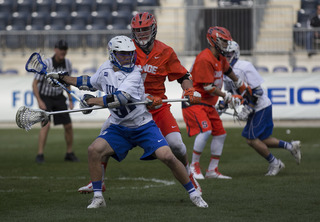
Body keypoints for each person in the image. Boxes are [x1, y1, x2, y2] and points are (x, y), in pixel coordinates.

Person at [47, 35, 208, 208]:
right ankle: (98, 197)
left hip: (142, 126)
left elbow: (119, 98)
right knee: (94, 150)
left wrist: (91, 101)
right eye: (123, 54)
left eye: (130, 54)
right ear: (113, 54)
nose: (128, 57)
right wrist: (62, 78)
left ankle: (193, 194)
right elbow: (87, 82)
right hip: (119, 127)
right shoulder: (105, 68)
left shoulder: (135, 73)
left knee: (168, 156)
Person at [77, 12, 204, 194]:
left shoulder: (165, 51)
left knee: (176, 145)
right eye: (138, 30)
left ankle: (188, 173)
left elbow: (182, 76)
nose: (142, 33)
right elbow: (109, 73)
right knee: (102, 138)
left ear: (153, 29)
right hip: (130, 107)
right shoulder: (126, 49)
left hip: (157, 106)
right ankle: (98, 182)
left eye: (145, 29)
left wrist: (189, 90)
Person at [223, 40, 302, 176]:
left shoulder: (244, 66)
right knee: (263, 139)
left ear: (236, 54)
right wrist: (221, 105)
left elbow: (258, 92)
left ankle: (275, 163)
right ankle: (291, 146)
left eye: (229, 54)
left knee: (251, 139)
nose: (226, 56)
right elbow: (230, 93)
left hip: (260, 106)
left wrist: (248, 108)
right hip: (256, 106)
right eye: (224, 54)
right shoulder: (224, 70)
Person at [182, 26, 243, 180]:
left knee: (220, 134)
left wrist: (240, 83)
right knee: (206, 130)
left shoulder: (220, 58)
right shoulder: (204, 58)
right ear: (213, 40)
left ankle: (212, 170)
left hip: (207, 103)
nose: (226, 44)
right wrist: (227, 95)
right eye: (223, 40)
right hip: (195, 101)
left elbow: (229, 71)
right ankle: (193, 167)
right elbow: (208, 87)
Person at [32, 39, 78, 163]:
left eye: (64, 50)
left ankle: (69, 153)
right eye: (61, 49)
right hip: (45, 97)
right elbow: (35, 84)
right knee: (45, 124)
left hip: (58, 97)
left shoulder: (67, 63)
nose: (62, 52)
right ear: (55, 50)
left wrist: (70, 99)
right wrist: (40, 101)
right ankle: (40, 154)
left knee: (68, 125)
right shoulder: (46, 63)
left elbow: (67, 82)